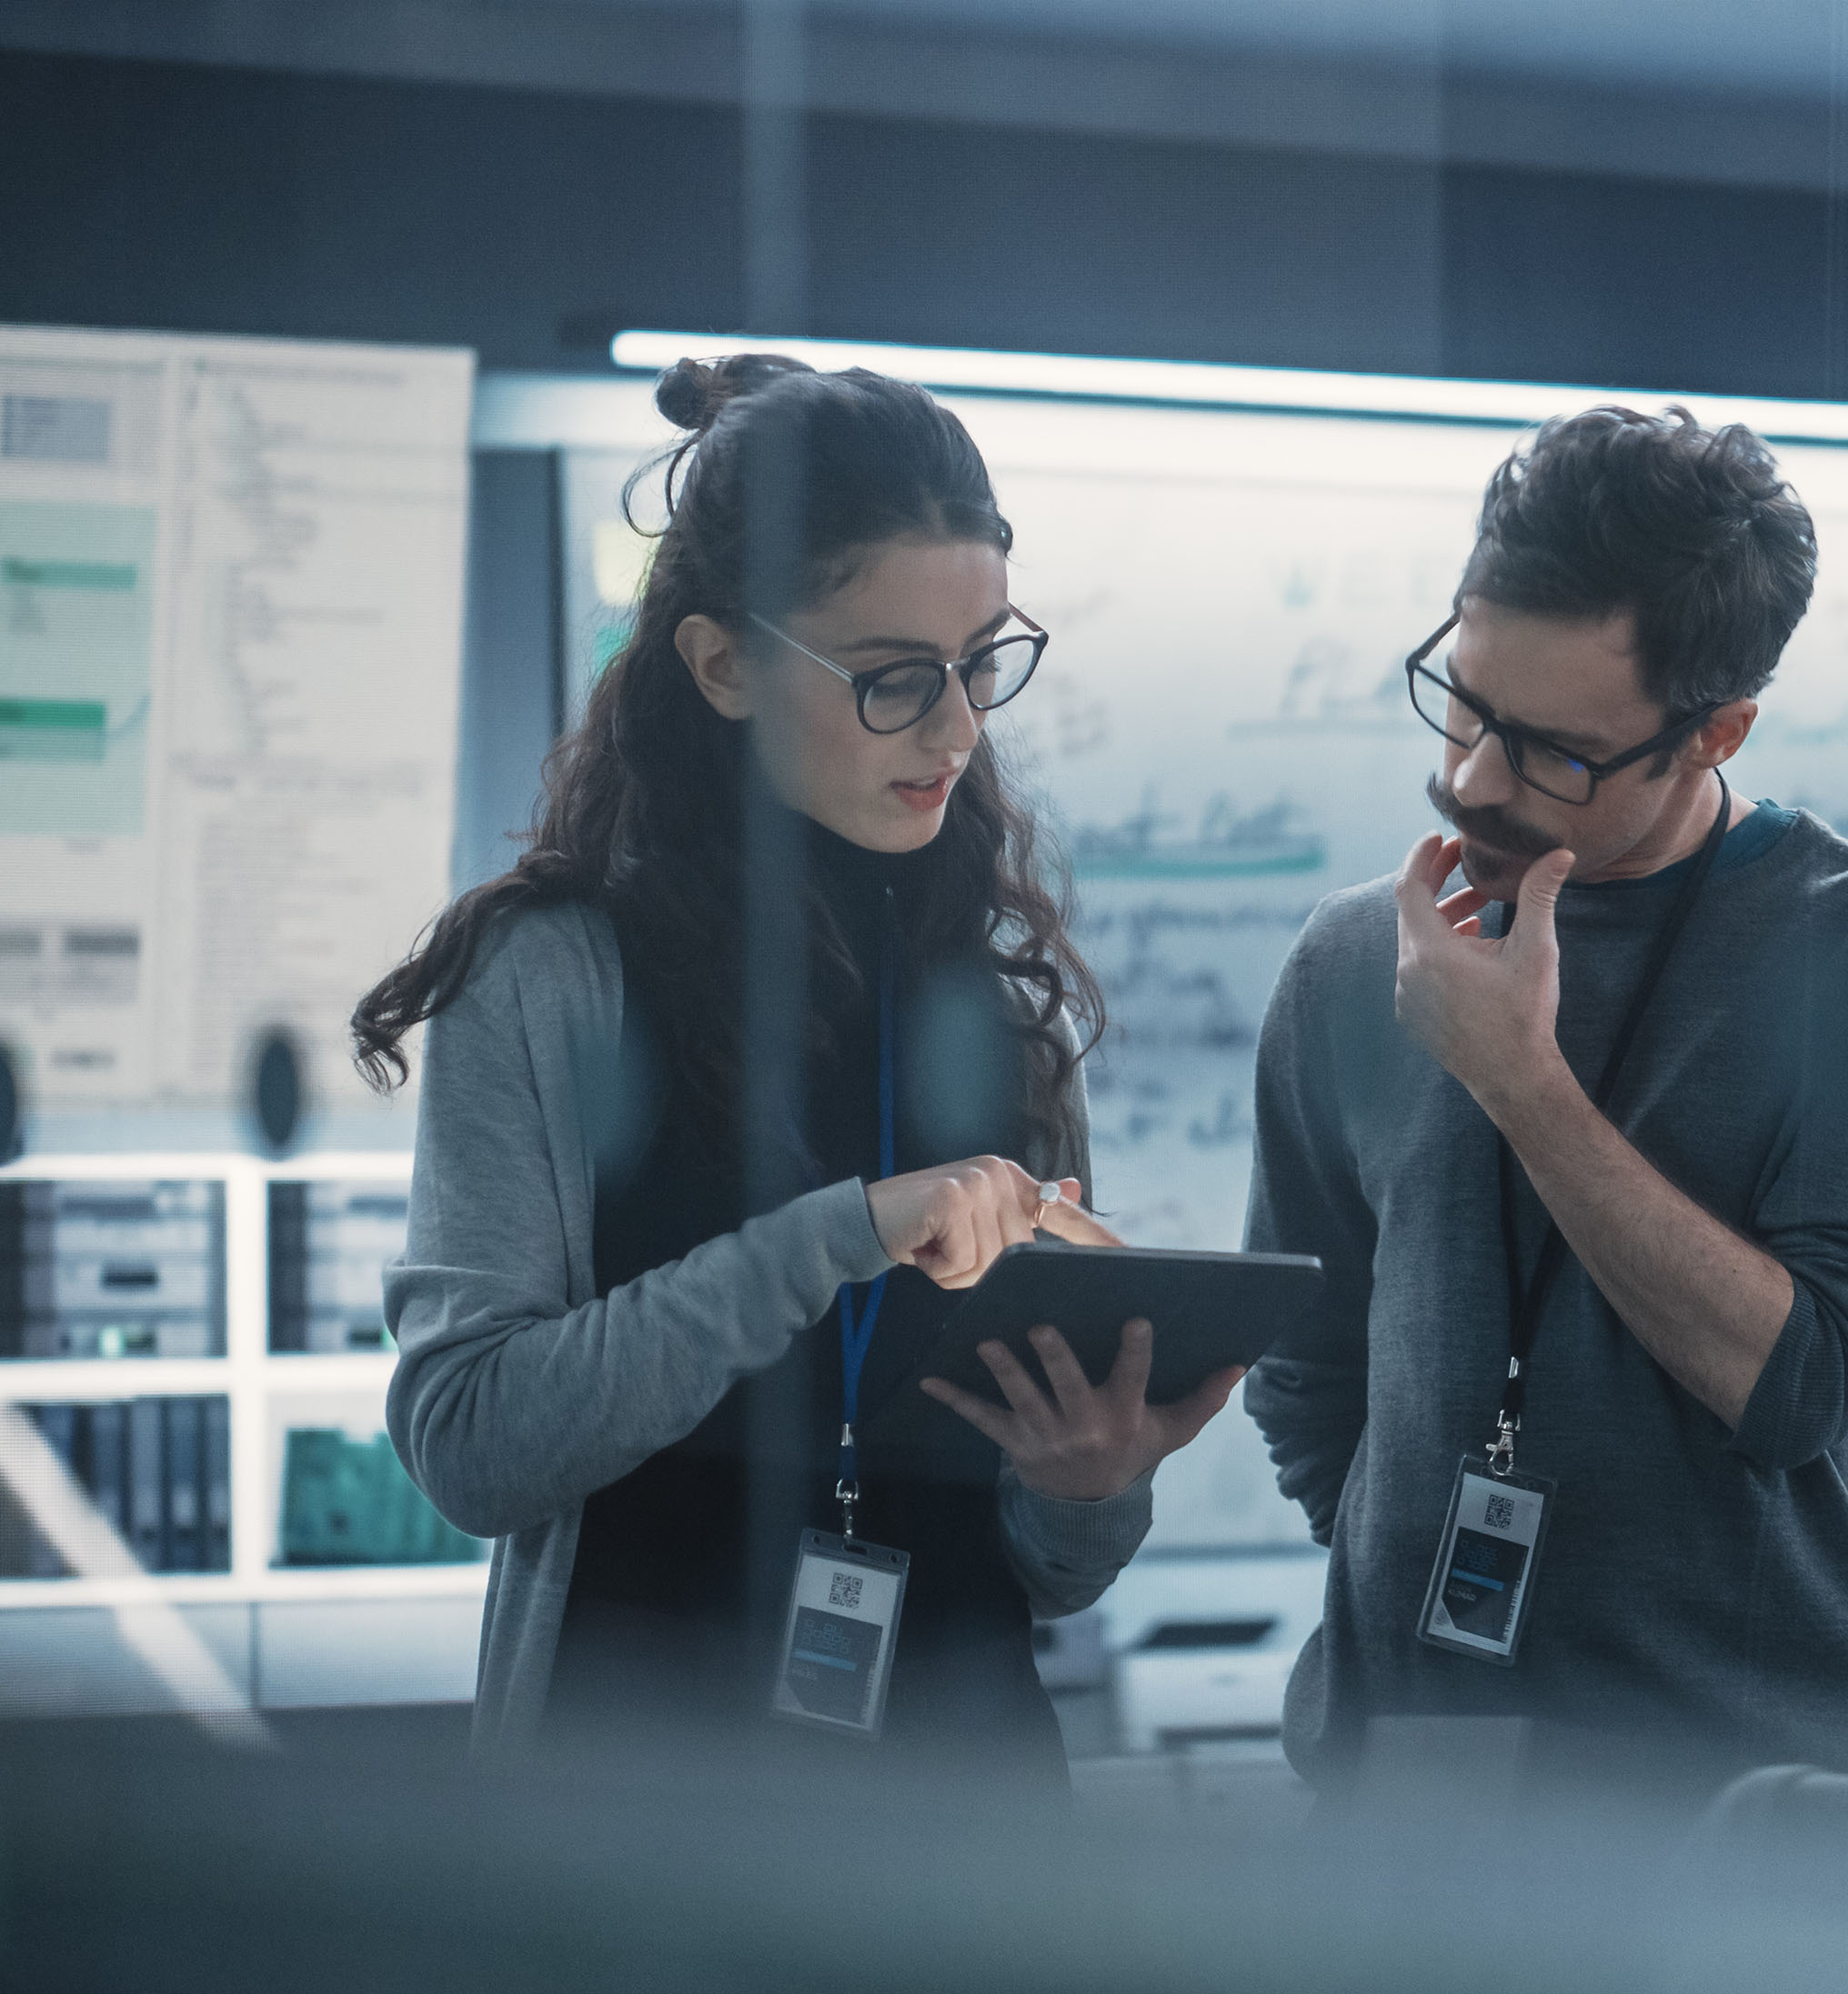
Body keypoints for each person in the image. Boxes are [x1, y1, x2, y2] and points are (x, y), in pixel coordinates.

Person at [357, 354, 1236, 1778]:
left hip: (968, 1827)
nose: (958, 728)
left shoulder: (994, 987)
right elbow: (472, 1445)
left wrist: (1091, 1482)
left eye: (983, 662)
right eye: (893, 680)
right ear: (722, 665)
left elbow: (1052, 1574)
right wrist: (845, 1235)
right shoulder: (552, 976)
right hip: (630, 1819)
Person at [1245, 406, 1848, 1789]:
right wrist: (1410, 1579)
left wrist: (1518, 1080)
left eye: (1556, 751)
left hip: (1750, 1806)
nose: (1472, 778)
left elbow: (1804, 1383)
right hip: (1406, 1795)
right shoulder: (1359, 956)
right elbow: (1303, 1360)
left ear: (1716, 732)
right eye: (1464, 702)